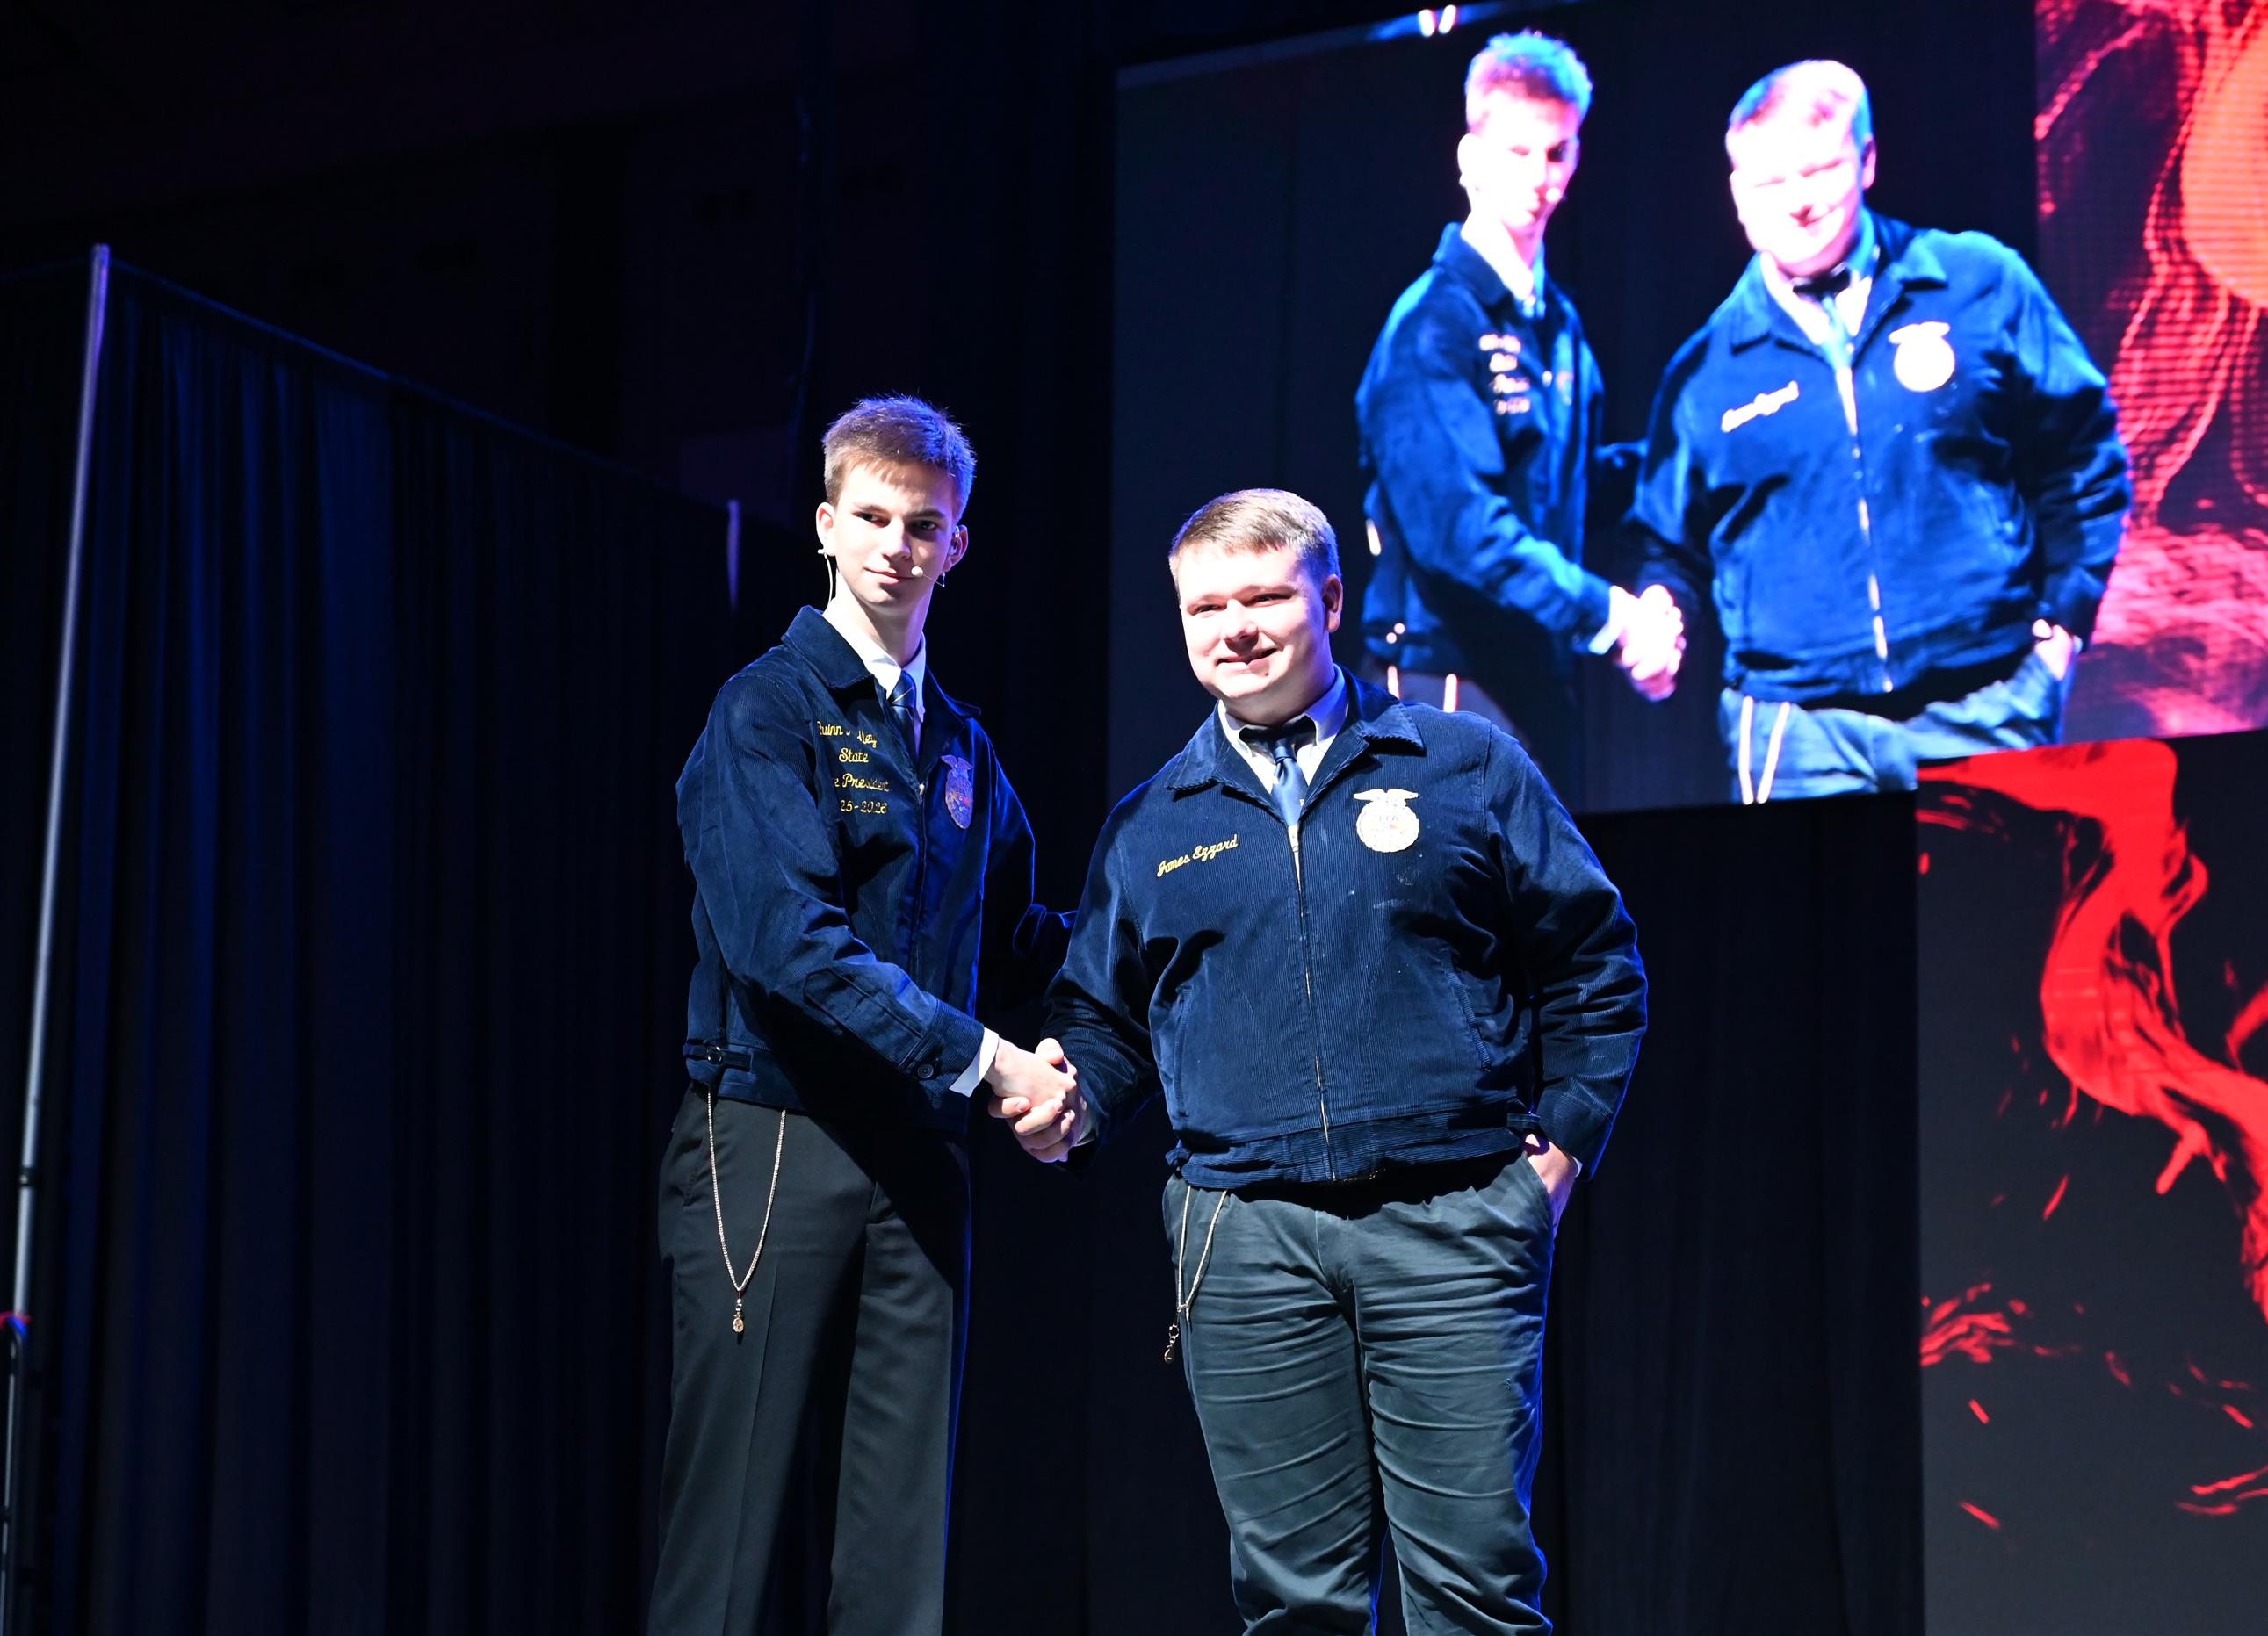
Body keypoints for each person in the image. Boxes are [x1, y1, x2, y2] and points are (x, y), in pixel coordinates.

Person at [1021, 489, 1645, 1634]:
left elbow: (1594, 961)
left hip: (1452, 1219)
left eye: (1264, 597)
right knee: (1294, 1605)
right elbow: (1105, 1017)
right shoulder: (1152, 821)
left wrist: (1558, 1150)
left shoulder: (1464, 764)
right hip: (1243, 1240)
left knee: (1474, 1592)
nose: (1235, 628)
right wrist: (1074, 1096)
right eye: (1206, 606)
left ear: (1333, 600)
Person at [650, 395, 1073, 1635]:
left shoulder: (963, 748)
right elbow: (788, 946)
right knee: (728, 1549)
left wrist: (1154, 959)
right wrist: (987, 1061)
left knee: (900, 1558)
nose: (898, 545)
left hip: (919, 1156)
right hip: (773, 1137)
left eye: (924, 524)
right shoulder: (768, 709)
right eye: (874, 518)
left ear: (958, 545)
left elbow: (1020, 946)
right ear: (827, 527)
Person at [1620, 59, 2131, 801]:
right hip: (1798, 735)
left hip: (1985, 701)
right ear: (1737, 194)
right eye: (1769, 182)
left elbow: (2084, 453)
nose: (1797, 202)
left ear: (1866, 160)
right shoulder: (1706, 368)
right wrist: (1662, 609)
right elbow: (1667, 545)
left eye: (1818, 171)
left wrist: (2066, 621)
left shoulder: (1976, 282)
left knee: (2003, 886)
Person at [1355, 29, 1682, 797]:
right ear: (1470, 158)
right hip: (1442, 684)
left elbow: (1574, 491)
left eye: (1558, 152)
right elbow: (1463, 532)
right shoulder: (1433, 324)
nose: (1540, 177)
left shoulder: (1556, 323)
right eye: (1517, 151)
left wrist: (1692, 466)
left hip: (1539, 678)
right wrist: (1614, 617)